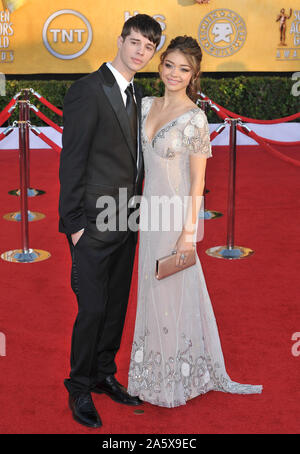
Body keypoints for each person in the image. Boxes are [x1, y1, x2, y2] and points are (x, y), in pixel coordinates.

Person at [127, 36, 263, 407]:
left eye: (183, 69)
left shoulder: (195, 118)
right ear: (160, 67)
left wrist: (189, 236)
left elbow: (199, 182)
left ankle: (175, 377)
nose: (175, 73)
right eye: (169, 65)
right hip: (149, 216)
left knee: (171, 291)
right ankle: (151, 371)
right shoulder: (145, 106)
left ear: (194, 75)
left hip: (175, 219)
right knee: (151, 292)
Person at [58, 14, 162, 428]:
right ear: (120, 41)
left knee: (116, 306)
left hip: (127, 219)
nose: (140, 51)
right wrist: (75, 224)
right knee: (93, 308)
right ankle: (79, 386)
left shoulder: (138, 93)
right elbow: (73, 161)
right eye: (134, 42)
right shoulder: (88, 90)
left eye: (148, 47)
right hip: (93, 224)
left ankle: (103, 375)